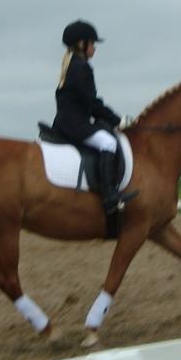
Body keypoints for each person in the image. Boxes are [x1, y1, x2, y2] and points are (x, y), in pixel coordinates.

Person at [53, 20, 138, 217]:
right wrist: (118, 120)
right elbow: (92, 104)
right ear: (81, 44)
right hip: (75, 125)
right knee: (108, 143)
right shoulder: (81, 67)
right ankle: (109, 197)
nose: (94, 48)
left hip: (67, 122)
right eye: (92, 43)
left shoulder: (71, 64)